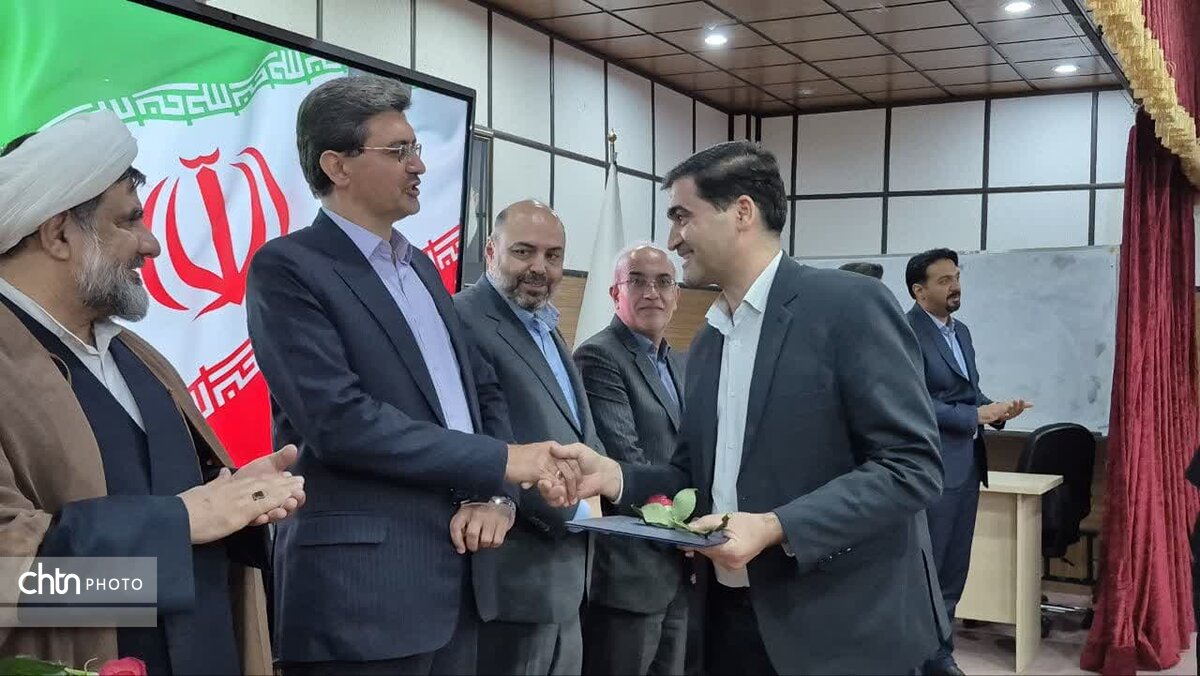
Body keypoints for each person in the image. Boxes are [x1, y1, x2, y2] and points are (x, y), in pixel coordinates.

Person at [555, 140, 949, 675]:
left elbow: (911, 466)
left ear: (741, 212)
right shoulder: (709, 342)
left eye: (682, 217)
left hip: (841, 625)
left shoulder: (849, 306)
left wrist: (775, 526)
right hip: (727, 621)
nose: (673, 240)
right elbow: (691, 478)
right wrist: (613, 476)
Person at [245, 76, 579, 676]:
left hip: (460, 582)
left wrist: (496, 494)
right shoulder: (289, 268)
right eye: (399, 151)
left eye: (416, 148)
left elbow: (481, 390)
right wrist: (504, 461)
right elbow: (340, 422)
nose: (419, 165)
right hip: (361, 595)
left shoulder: (421, 267)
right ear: (337, 166)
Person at [0, 110, 306, 675]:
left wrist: (238, 499)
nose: (152, 244)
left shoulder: (138, 356)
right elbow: (6, 581)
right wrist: (180, 522)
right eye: (129, 221)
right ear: (58, 234)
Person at [453, 200, 604, 676]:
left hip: (565, 579)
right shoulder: (461, 320)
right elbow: (469, 441)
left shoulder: (545, 325)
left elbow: (576, 431)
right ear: (491, 250)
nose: (540, 267)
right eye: (524, 251)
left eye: (553, 256)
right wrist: (577, 509)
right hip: (509, 577)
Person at [903, 248, 1032, 676]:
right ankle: (920, 657)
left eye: (957, 277)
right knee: (929, 567)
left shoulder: (962, 333)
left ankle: (940, 652)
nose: (955, 286)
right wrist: (973, 415)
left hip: (968, 464)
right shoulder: (906, 332)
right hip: (932, 465)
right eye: (944, 281)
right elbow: (912, 402)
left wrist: (997, 410)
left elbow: (968, 392)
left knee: (955, 567)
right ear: (920, 291)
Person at [573, 243, 689, 676]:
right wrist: (688, 527)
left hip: (680, 567)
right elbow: (624, 459)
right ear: (614, 293)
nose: (651, 292)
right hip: (630, 572)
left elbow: (692, 453)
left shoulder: (678, 362)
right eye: (637, 281)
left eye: (663, 282)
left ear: (676, 295)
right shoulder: (599, 356)